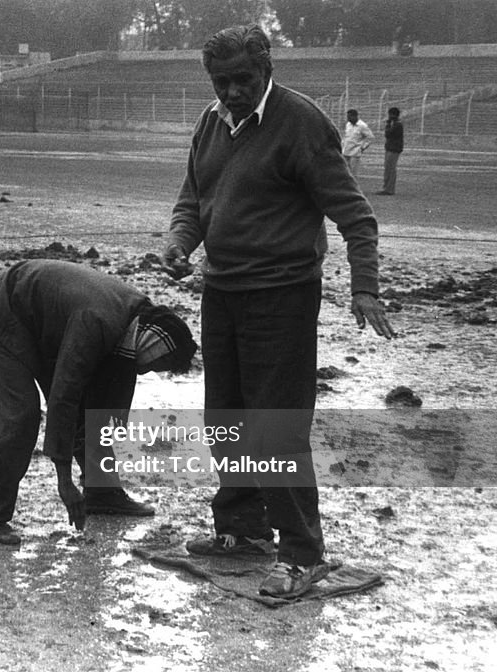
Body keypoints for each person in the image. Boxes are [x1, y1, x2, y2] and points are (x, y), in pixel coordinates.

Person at [161, 24, 396, 598]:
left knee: (275, 426)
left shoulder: (301, 121)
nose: (233, 92)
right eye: (222, 82)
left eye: (243, 79)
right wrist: (178, 245)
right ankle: (242, 529)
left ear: (266, 68)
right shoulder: (210, 121)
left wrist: (364, 286)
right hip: (223, 291)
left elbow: (356, 215)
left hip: (282, 296)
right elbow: (193, 200)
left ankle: (302, 552)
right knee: (227, 417)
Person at [0, 259, 198, 545]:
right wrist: (65, 482)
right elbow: (64, 397)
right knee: (20, 415)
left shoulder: (138, 319)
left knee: (94, 409)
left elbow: (102, 402)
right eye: (151, 366)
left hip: (47, 321)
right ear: (150, 345)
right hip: (4, 310)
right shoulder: (98, 322)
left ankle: (102, 493)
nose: (145, 371)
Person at [377, 107, 404, 195]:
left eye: (390, 114)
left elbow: (388, 134)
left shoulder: (397, 125)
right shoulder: (395, 124)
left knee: (390, 169)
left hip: (394, 149)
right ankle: (386, 187)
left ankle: (389, 189)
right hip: (390, 148)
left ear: (393, 115)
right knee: (387, 168)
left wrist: (388, 124)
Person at [342, 108, 374, 179]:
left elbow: (370, 137)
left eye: (349, 117)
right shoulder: (348, 124)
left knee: (353, 174)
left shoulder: (362, 126)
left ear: (355, 116)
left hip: (355, 153)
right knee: (345, 173)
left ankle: (353, 189)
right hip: (346, 151)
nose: (348, 119)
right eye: (347, 117)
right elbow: (346, 136)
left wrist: (362, 147)